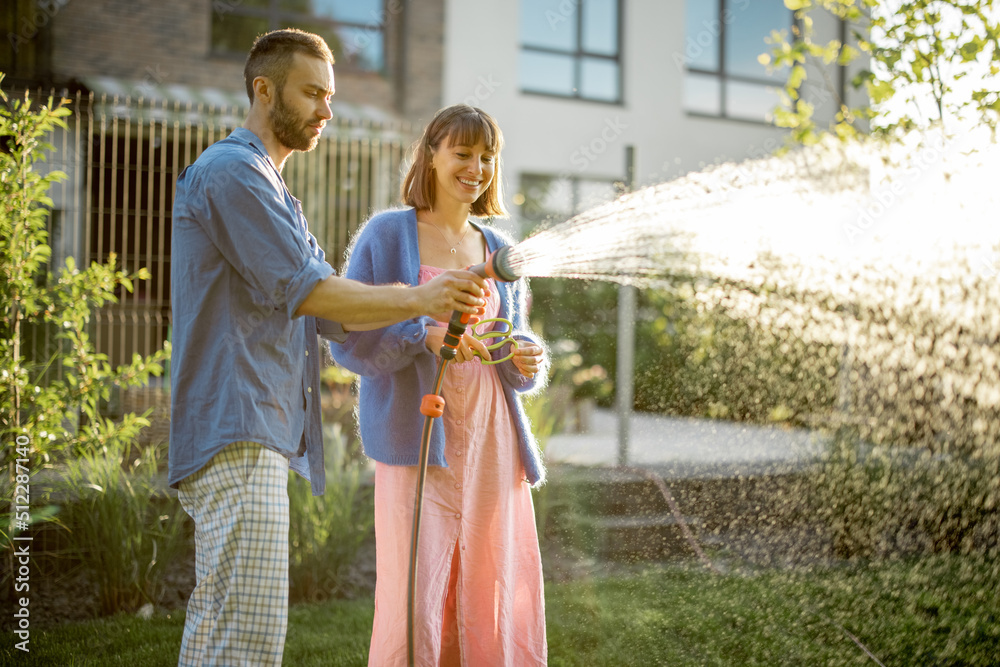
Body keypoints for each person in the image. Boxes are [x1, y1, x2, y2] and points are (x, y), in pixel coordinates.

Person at [168, 31, 487, 667]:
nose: (326, 111)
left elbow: (333, 313)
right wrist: (421, 299)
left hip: (253, 428)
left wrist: (420, 329)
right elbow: (310, 291)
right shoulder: (234, 174)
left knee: (224, 625)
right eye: (312, 92)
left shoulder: (272, 187)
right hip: (239, 426)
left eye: (330, 96)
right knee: (244, 638)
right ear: (264, 89)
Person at [329, 104, 550, 666]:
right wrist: (417, 335)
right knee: (417, 589)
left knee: (489, 579)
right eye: (462, 153)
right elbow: (346, 337)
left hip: (490, 438)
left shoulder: (498, 247)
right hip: (419, 437)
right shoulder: (387, 235)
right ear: (431, 154)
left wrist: (525, 356)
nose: (476, 168)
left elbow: (510, 348)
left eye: (486, 157)